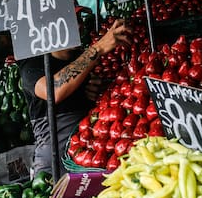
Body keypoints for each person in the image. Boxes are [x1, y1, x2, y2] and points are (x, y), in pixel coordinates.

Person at [18, 18, 130, 175]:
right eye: (70, 19)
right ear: (49, 27)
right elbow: (53, 91)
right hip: (54, 163)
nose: (78, 25)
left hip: (88, 152)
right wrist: (97, 48)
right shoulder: (33, 65)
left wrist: (100, 93)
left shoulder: (81, 58)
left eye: (79, 20)